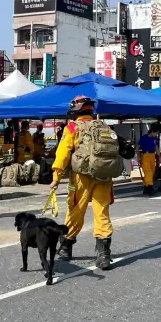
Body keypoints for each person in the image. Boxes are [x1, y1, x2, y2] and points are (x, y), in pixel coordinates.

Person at [52, 96, 119, 270]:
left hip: (81, 176)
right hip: (104, 175)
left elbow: (63, 153)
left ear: (76, 110)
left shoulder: (73, 127)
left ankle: (66, 246)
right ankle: (104, 254)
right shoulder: (105, 126)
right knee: (102, 212)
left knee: (75, 210)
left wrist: (56, 177)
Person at [138, 123, 160, 195]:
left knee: (152, 171)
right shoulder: (143, 138)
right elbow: (137, 148)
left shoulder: (155, 139)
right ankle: (150, 187)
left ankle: (146, 187)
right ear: (152, 132)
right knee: (148, 172)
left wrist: (159, 157)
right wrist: (138, 157)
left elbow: (156, 148)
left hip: (152, 156)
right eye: (156, 133)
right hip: (145, 155)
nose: (156, 135)